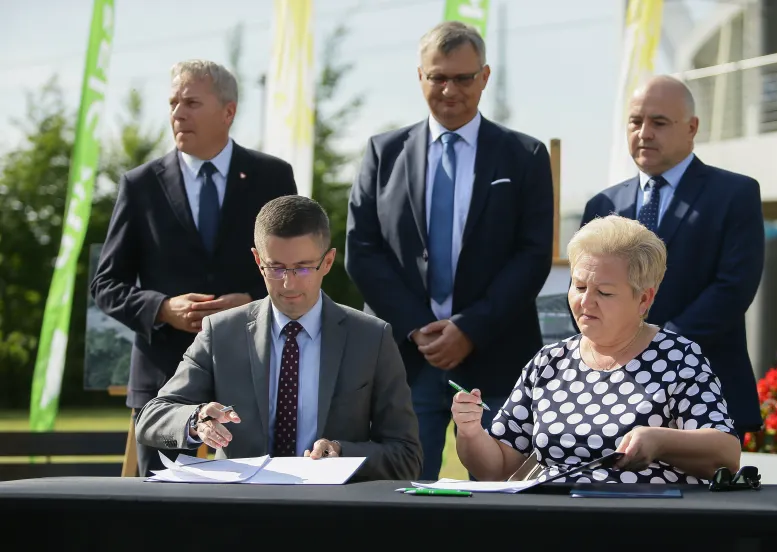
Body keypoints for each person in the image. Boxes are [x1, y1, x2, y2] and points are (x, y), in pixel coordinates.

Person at [345, 21, 554, 481]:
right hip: (404, 360)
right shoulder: (383, 153)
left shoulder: (525, 155)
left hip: (497, 359)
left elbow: (533, 254)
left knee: (506, 499)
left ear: (484, 76)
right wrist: (419, 327)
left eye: (462, 77)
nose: (449, 89)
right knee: (400, 497)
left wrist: (469, 328)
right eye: (437, 76)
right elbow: (362, 250)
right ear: (419, 76)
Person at [91, 59, 298, 477]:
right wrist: (163, 308)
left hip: (252, 373)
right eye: (172, 103)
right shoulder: (140, 185)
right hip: (164, 383)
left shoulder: (272, 177)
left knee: (257, 510)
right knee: (162, 519)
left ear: (228, 112)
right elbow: (106, 285)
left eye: (190, 102)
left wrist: (254, 303)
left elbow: (297, 269)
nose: (177, 114)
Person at [136, 195, 422, 482]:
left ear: (328, 261)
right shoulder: (221, 332)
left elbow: (407, 455)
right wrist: (196, 419)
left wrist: (340, 453)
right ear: (258, 260)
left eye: (303, 267)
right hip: (244, 512)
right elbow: (152, 417)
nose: (289, 283)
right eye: (276, 268)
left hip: (333, 513)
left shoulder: (371, 338)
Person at [453, 215, 741, 484]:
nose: (586, 302)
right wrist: (471, 431)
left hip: (640, 527)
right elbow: (498, 467)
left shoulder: (677, 357)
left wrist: (660, 441)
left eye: (604, 292)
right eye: (578, 286)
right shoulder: (549, 362)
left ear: (644, 299)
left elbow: (726, 453)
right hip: (551, 523)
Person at [579, 75, 765, 439]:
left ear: (692, 127)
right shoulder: (602, 206)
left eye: (659, 123)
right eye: (635, 121)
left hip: (706, 389)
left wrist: (657, 347)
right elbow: (588, 291)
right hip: (615, 395)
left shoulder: (734, 194)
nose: (644, 133)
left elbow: (733, 288)